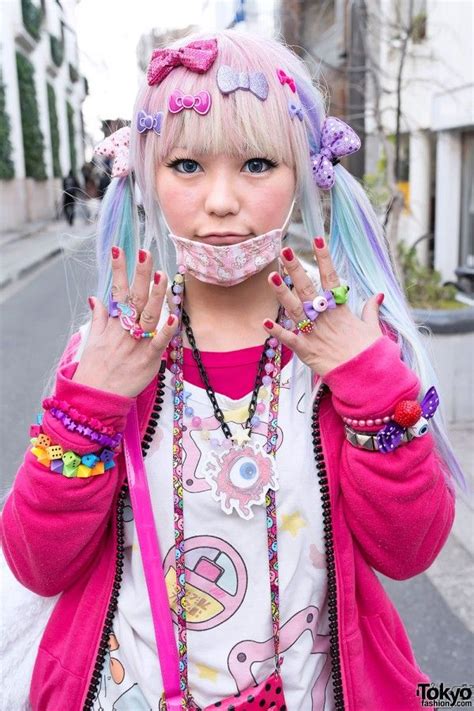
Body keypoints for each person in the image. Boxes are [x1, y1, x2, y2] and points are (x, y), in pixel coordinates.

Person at [0, 30, 465, 711]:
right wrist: (90, 405)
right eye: (187, 165)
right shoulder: (107, 353)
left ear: (304, 173)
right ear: (147, 176)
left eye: (256, 163)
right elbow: (38, 560)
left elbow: (411, 549)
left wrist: (369, 382)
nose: (221, 200)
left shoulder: (348, 349)